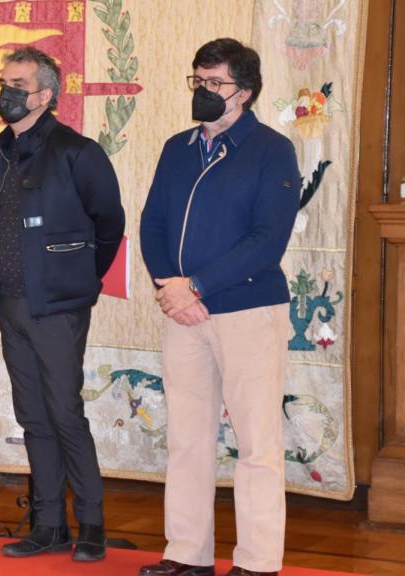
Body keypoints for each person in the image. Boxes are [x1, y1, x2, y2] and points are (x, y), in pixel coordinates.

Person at [138, 38, 299, 576]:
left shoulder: (271, 149)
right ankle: (187, 553)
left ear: (245, 93)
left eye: (215, 84)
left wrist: (197, 286)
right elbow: (153, 222)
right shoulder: (176, 147)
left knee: (256, 443)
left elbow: (266, 239)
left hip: (248, 311)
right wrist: (171, 287)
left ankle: (258, 562)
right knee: (187, 437)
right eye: (197, 81)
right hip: (184, 314)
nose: (202, 91)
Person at [0, 46, 125, 563]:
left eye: (18, 83)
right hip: (12, 304)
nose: (6, 92)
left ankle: (91, 524)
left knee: (65, 411)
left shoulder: (77, 151)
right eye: (3, 82)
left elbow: (109, 224)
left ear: (45, 95)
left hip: (58, 306)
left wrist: (77, 279)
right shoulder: (1, 149)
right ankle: (49, 525)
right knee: (33, 416)